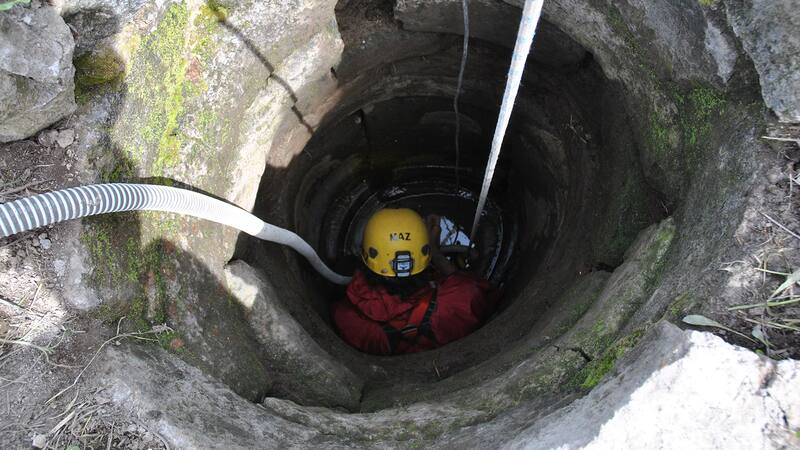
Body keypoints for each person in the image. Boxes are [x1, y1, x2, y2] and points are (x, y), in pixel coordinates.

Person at [332, 207, 496, 355]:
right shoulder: (457, 303)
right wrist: (436, 254)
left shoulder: (348, 319)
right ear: (425, 258)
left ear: (367, 255)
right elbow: (476, 288)